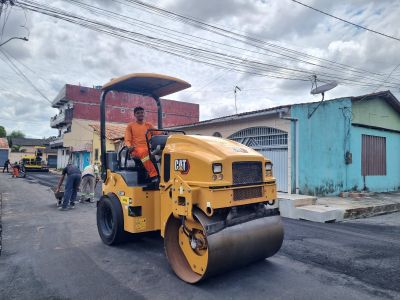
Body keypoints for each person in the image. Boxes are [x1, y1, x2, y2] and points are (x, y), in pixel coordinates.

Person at [124, 106, 159, 183]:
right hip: (135, 149)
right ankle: (154, 175)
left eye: (142, 112)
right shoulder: (130, 126)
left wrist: (164, 133)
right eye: (138, 113)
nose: (140, 114)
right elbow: (127, 139)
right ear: (134, 115)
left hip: (148, 149)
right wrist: (129, 146)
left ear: (144, 114)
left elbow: (157, 133)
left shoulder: (149, 125)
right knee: (144, 152)